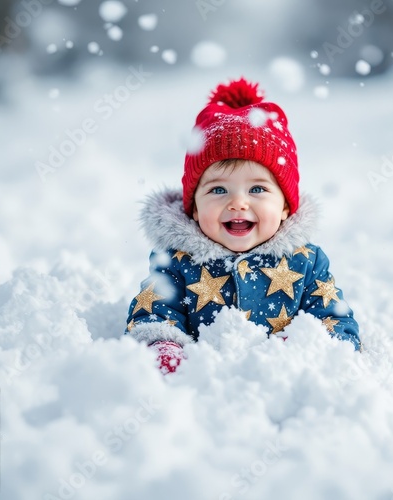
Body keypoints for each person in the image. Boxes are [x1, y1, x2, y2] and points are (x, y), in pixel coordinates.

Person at [125, 77, 361, 374]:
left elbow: (338, 324)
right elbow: (151, 315)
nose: (238, 203)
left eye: (258, 190)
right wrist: (162, 347)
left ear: (286, 205)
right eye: (219, 190)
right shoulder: (176, 263)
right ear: (195, 208)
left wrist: (305, 345)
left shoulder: (307, 263)